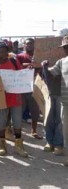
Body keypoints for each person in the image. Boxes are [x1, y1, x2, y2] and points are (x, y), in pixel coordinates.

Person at [0, 41, 28, 157]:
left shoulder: (14, 61)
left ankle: (19, 145)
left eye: (5, 51)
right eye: (0, 52)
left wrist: (28, 71)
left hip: (15, 97)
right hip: (1, 100)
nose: (3, 54)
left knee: (17, 122)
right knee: (1, 123)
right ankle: (2, 145)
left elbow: (21, 75)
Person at [42, 35, 68, 166]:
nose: (66, 49)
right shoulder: (62, 62)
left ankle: (61, 147)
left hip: (62, 98)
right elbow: (51, 74)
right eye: (65, 47)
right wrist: (44, 67)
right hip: (63, 100)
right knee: (63, 128)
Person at [16, 38, 42, 139]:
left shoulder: (39, 56)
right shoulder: (20, 56)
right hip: (22, 87)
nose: (29, 45)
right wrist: (28, 65)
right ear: (24, 45)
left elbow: (42, 68)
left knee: (35, 110)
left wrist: (37, 66)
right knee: (20, 110)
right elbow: (17, 67)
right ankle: (18, 133)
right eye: (27, 44)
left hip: (35, 86)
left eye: (31, 44)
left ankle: (34, 131)